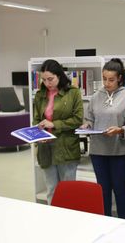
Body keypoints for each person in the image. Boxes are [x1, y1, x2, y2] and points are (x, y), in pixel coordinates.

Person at [80, 58, 125, 219]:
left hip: (120, 151)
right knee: (102, 189)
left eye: (111, 79)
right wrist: (87, 125)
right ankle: (104, 221)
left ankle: (123, 221)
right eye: (104, 79)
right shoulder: (96, 96)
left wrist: (120, 130)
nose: (106, 83)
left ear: (120, 78)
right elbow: (90, 118)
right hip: (98, 151)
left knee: (119, 188)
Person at [32, 59, 83, 205]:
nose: (47, 83)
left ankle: (70, 224)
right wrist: (37, 134)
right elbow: (36, 119)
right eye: (44, 80)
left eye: (51, 79)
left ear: (59, 76)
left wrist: (53, 124)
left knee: (68, 192)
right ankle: (53, 223)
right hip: (45, 148)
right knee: (52, 190)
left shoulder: (73, 92)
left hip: (65, 148)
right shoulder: (40, 95)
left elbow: (77, 119)